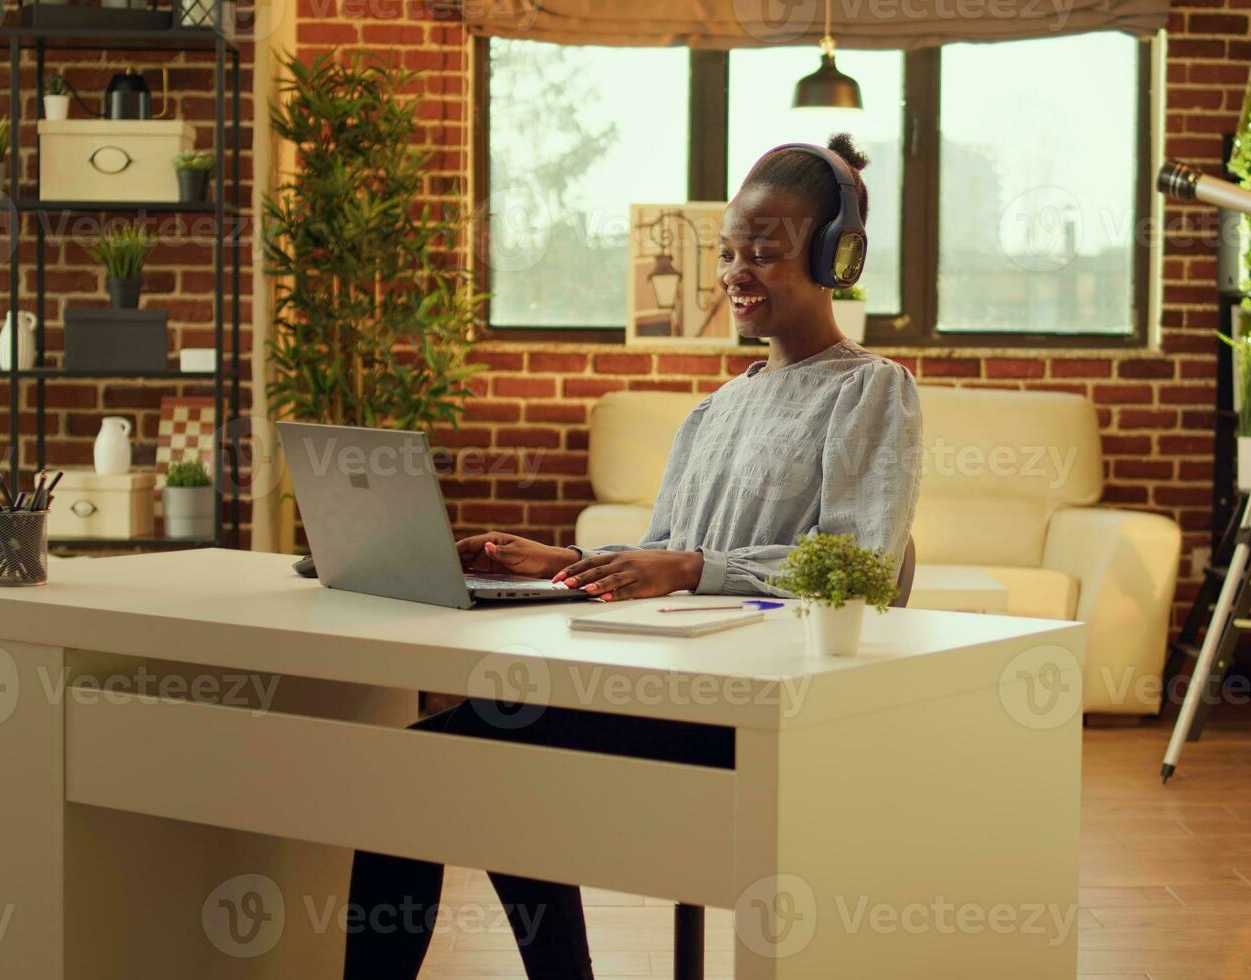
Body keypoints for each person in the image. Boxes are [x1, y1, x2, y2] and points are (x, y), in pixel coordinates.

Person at [342, 133, 922, 980]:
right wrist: (556, 561)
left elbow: (859, 571)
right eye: (728, 253)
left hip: (761, 717)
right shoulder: (715, 408)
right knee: (429, 763)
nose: (735, 273)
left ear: (835, 257)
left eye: (763, 252)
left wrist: (692, 568)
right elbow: (659, 559)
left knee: (465, 763)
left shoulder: (871, 388)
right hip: (662, 684)